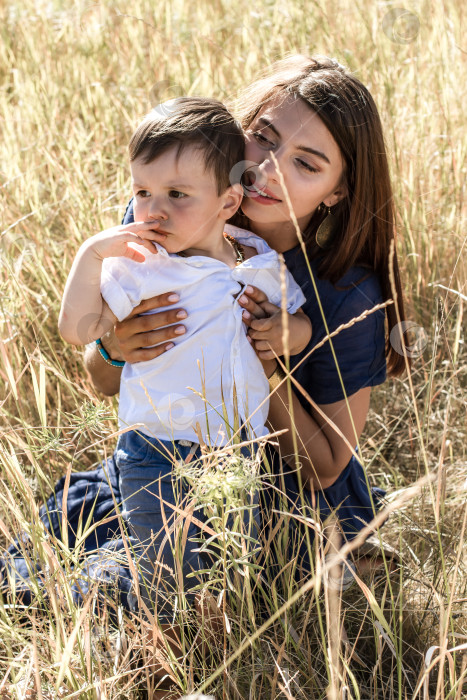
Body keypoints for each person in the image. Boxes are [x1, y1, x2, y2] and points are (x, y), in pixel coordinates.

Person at [84, 55, 407, 575]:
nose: (267, 168)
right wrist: (113, 346)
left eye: (307, 164)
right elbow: (101, 380)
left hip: (289, 499)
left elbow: (324, 469)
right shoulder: (173, 215)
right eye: (265, 136)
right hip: (173, 459)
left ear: (338, 190)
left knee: (162, 591)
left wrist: (262, 360)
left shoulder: (348, 294)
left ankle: (339, 561)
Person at [58, 96, 308, 612]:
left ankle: (215, 643)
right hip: (154, 452)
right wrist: (92, 254)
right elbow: (76, 330)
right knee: (167, 582)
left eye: (177, 194)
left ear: (228, 204)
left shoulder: (256, 259)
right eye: (143, 192)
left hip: (237, 449)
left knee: (227, 570)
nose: (153, 210)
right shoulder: (142, 266)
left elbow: (298, 321)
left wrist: (291, 334)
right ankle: (155, 643)